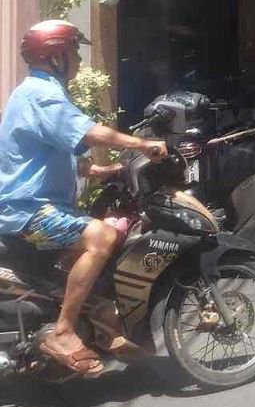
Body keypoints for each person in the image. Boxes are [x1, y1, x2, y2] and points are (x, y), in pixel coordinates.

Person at [0, 21, 168, 377]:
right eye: (74, 51)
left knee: (93, 240)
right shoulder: (41, 94)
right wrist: (142, 144)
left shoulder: (41, 94)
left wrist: (105, 171)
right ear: (54, 55)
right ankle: (63, 332)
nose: (78, 59)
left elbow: (57, 156)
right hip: (28, 210)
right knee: (102, 237)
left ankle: (95, 319)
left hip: (36, 205)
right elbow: (88, 132)